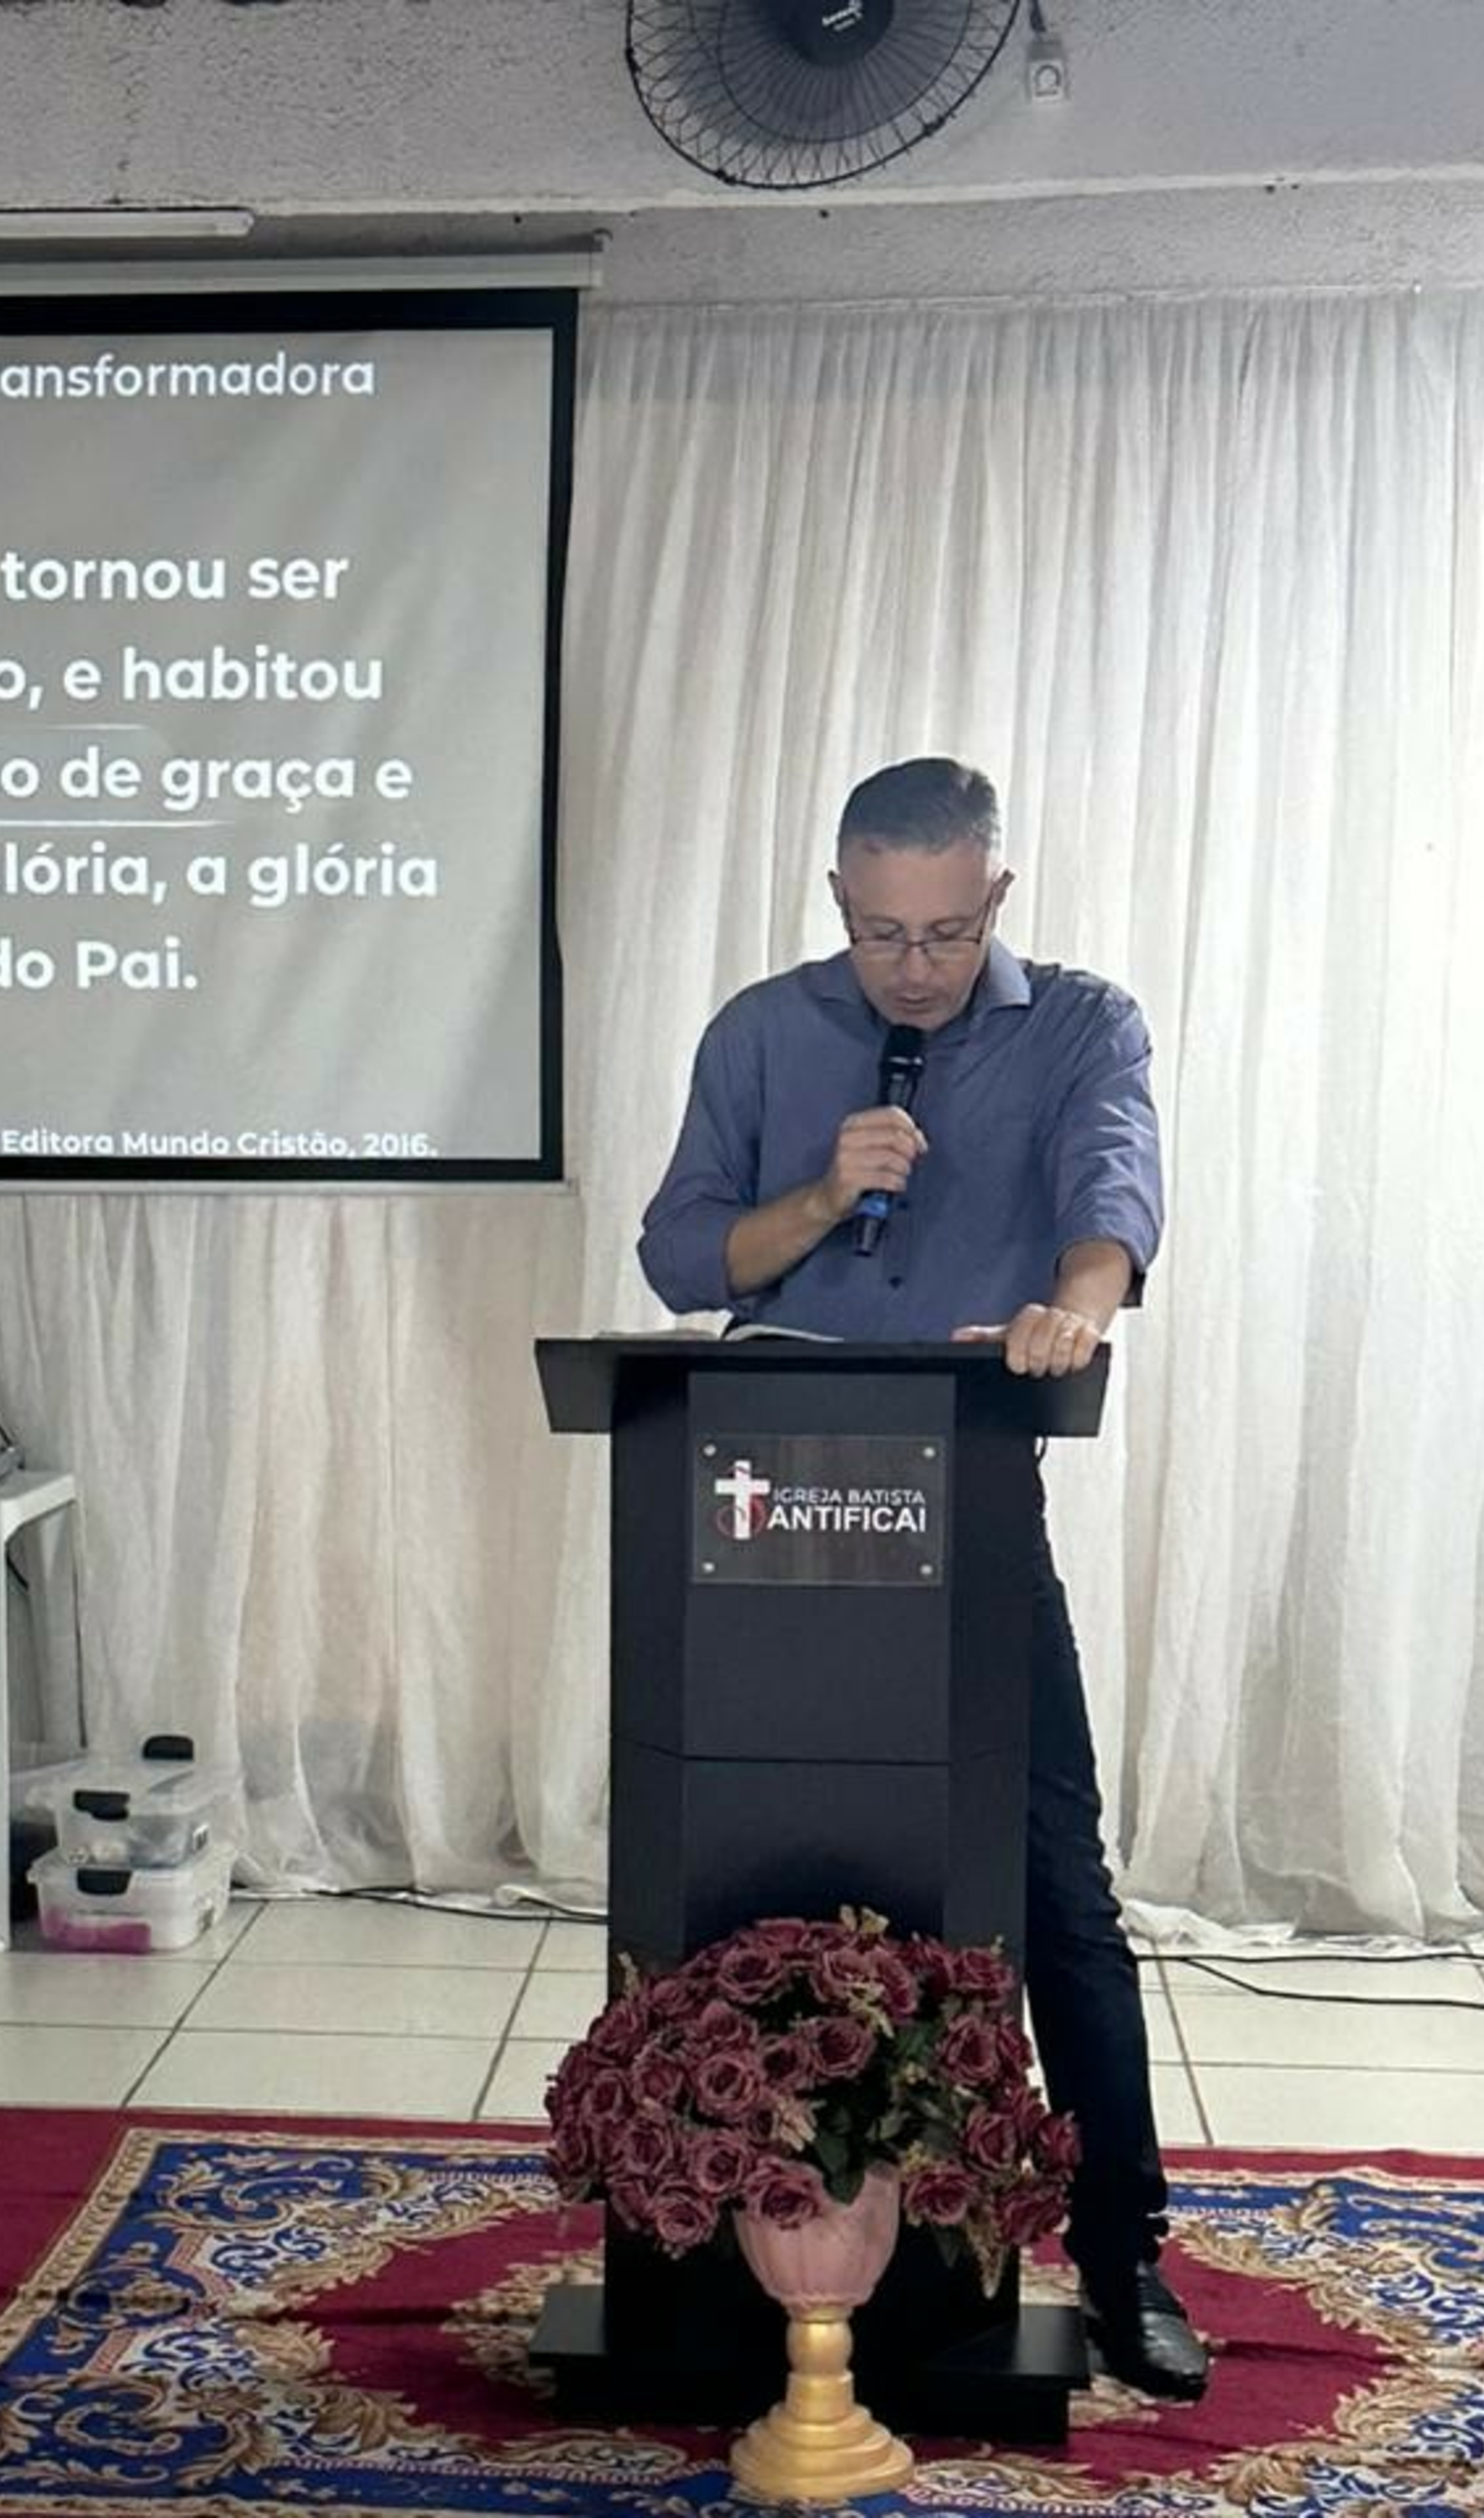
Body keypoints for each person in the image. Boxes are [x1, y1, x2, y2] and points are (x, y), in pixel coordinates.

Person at [637, 756, 1209, 2401]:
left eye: (948, 932)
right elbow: (680, 1259)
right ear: (838, 900)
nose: (916, 966)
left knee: (1056, 1882)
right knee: (753, 1865)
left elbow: (1112, 1202)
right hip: (762, 1504)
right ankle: (723, 2242)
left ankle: (1122, 2255)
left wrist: (1073, 1313)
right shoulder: (762, 1032)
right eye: (883, 932)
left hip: (964, 1494)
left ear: (996, 898)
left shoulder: (1079, 1025)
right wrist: (825, 1193)